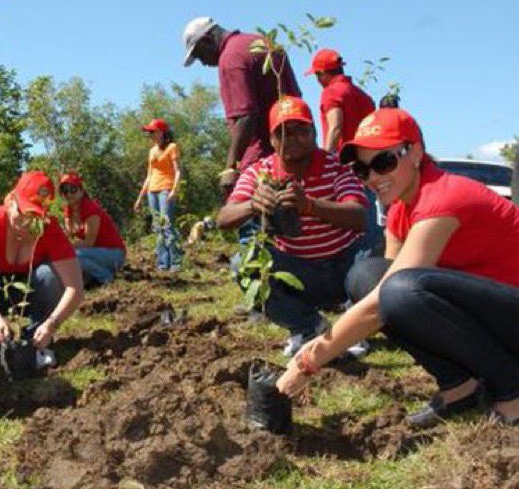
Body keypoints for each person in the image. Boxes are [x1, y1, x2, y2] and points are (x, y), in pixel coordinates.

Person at [277, 108, 519, 427]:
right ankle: (460, 385)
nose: (373, 178)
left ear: (415, 152)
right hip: (494, 318)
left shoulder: (444, 199)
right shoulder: (400, 211)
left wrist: (307, 361)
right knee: (367, 278)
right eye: (363, 170)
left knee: (399, 292)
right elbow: (382, 293)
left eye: (383, 162)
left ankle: (511, 390)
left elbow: (384, 303)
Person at [216, 96, 369, 357]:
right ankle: (310, 327)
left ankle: (353, 329)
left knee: (372, 266)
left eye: (302, 130)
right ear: (272, 140)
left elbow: (359, 216)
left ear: (314, 133)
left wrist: (310, 205)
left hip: (342, 268)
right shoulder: (259, 172)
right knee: (244, 263)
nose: (293, 138)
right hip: (297, 272)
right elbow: (224, 219)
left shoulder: (338, 167)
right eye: (283, 132)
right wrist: (253, 204)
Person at [0, 172, 84, 364]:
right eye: (23, 213)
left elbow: (75, 287)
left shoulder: (50, 229)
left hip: (32, 290)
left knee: (50, 277)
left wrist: (52, 323)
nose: (26, 223)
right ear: (12, 201)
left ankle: (36, 342)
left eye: (35, 217)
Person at [182, 16, 301, 198]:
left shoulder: (231, 58)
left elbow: (246, 117)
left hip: (264, 162)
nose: (203, 63)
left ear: (207, 40)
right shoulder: (263, 43)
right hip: (295, 154)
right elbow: (296, 98)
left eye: (199, 55)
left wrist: (230, 168)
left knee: (254, 221)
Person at [306, 48, 381, 256]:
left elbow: (335, 126)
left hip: (346, 168)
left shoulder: (331, 92)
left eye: (317, 76)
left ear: (322, 73)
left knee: (346, 226)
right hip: (368, 166)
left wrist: (325, 160)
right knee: (369, 222)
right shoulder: (362, 95)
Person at [59, 171, 126, 286]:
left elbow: (88, 243)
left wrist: (64, 248)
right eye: (65, 191)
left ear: (81, 191)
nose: (69, 194)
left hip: (114, 254)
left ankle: (106, 277)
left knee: (72, 255)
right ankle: (89, 278)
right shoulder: (68, 210)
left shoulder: (90, 209)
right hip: (93, 254)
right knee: (67, 254)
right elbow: (68, 235)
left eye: (73, 189)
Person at [133, 118, 183, 272]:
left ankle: (175, 263)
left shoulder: (172, 147)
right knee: (158, 227)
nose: (149, 134)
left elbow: (178, 170)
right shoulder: (151, 151)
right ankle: (163, 263)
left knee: (167, 224)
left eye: (152, 131)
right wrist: (140, 197)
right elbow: (149, 175)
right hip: (152, 191)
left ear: (161, 132)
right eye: (148, 132)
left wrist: (175, 190)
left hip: (166, 189)